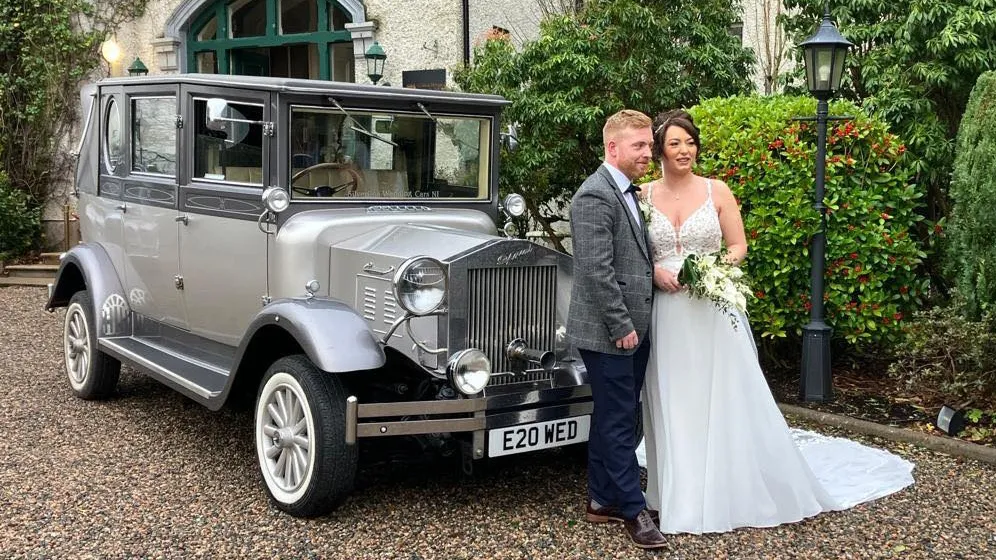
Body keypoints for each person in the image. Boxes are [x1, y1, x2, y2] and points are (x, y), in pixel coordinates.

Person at [637, 109, 914, 534]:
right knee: (673, 398)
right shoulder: (643, 196)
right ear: (659, 150)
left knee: (720, 396)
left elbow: (738, 246)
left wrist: (709, 268)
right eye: (675, 143)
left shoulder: (717, 191)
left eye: (690, 142)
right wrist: (658, 272)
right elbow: (641, 254)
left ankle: (725, 488)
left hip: (711, 308)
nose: (685, 150)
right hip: (668, 312)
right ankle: (675, 493)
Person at [567, 109, 668, 549]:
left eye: (648, 144)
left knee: (615, 415)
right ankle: (633, 509)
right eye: (639, 145)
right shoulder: (594, 196)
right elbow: (595, 270)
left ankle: (601, 499)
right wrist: (621, 324)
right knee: (619, 419)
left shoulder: (627, 191)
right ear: (613, 148)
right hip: (611, 332)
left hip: (630, 328)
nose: (649, 152)